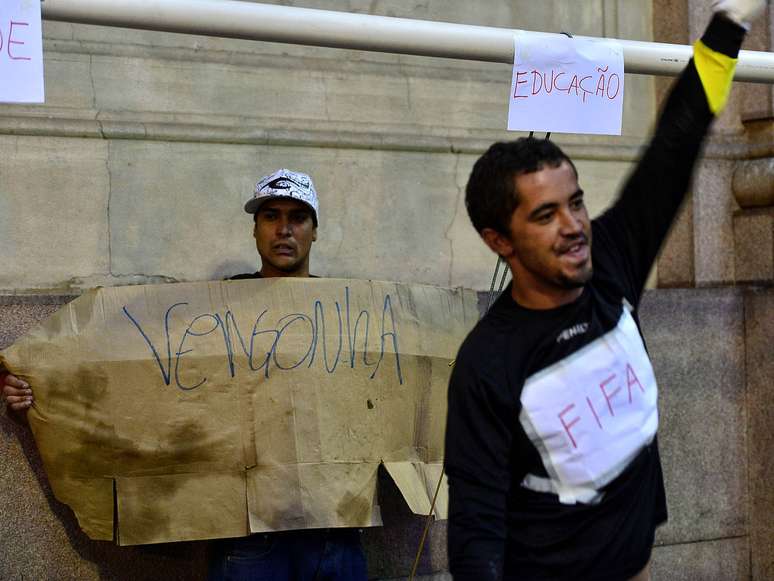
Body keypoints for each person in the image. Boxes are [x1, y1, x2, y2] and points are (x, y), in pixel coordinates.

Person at [443, 2, 763, 580]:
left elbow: (676, 142)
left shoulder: (611, 262)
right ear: (500, 241)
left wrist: (728, 24)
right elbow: (477, 530)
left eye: (576, 202)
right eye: (545, 215)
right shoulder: (488, 366)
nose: (573, 227)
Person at [2, 168, 368, 581]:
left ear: (315, 231)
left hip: (335, 530)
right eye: (271, 216)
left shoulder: (348, 312)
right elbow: (130, 369)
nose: (284, 229)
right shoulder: (211, 310)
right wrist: (37, 380)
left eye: (297, 217)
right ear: (255, 229)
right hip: (247, 532)